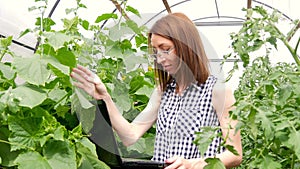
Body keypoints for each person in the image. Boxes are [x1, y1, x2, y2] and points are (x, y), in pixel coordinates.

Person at [71, 12, 242, 169]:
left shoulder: (218, 91)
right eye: (156, 52)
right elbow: (130, 135)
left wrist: (192, 165)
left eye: (165, 49)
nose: (160, 59)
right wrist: (105, 97)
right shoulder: (163, 91)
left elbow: (234, 155)